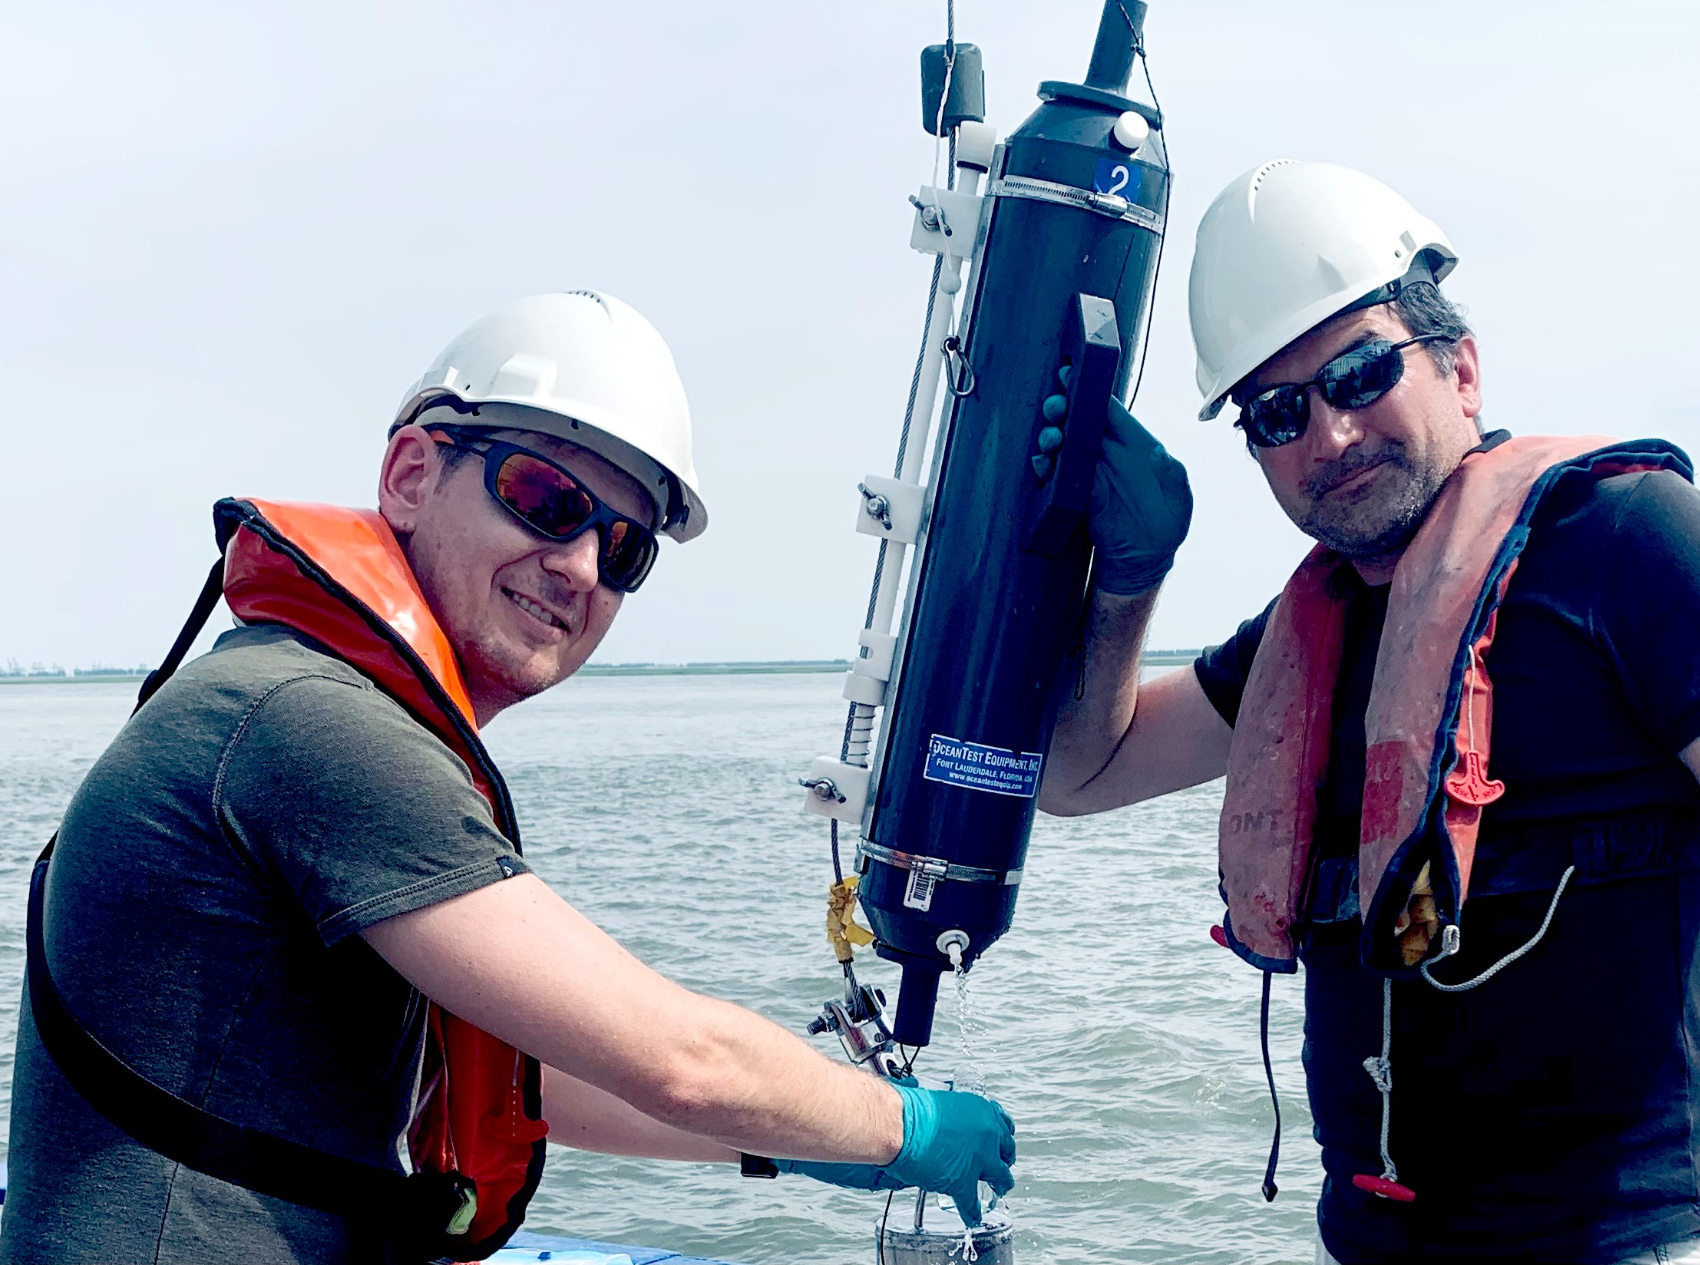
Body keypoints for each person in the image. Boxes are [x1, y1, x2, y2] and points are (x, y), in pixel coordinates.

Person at [1, 290, 1016, 1265]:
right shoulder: (310, 722)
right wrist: (901, 1123)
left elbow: (533, 1073)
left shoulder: (301, 700)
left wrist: (797, 1137)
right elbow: (680, 1056)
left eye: (622, 547)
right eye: (544, 497)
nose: (578, 563)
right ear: (409, 473)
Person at [1044, 161, 1700, 1264]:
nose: (1330, 434)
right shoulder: (1303, 635)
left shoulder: (1642, 546)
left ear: (1461, 367)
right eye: (1277, 411)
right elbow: (1080, 772)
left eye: (1359, 372)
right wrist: (1126, 581)